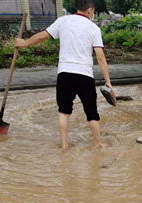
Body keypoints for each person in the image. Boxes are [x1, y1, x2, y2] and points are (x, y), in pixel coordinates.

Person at [14, 0, 114, 149]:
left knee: (64, 111)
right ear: (90, 9)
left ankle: (64, 145)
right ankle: (98, 143)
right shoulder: (93, 28)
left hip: (65, 74)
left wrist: (23, 43)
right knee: (91, 111)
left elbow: (42, 36)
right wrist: (108, 82)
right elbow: (100, 57)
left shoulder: (63, 21)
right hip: (84, 75)